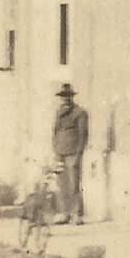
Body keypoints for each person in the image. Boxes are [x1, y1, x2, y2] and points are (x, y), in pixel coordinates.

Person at [51, 84, 90, 223]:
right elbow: (55, 131)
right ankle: (64, 213)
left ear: (72, 97)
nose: (65, 99)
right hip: (60, 153)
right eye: (63, 96)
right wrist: (55, 149)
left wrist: (79, 152)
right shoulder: (58, 112)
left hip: (73, 153)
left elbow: (83, 135)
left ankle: (76, 214)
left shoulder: (79, 112)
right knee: (61, 184)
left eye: (67, 96)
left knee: (73, 184)